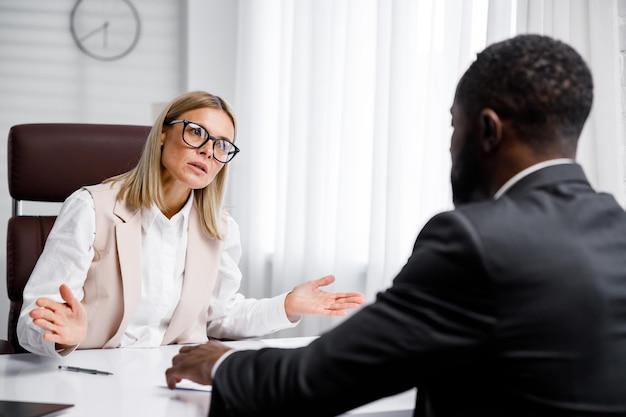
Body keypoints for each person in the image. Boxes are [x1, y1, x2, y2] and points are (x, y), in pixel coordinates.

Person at [165, 34, 626, 416]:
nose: (450, 147)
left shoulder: (475, 241)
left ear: (487, 131)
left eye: (453, 126)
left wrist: (222, 365)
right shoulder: (617, 229)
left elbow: (318, 380)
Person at [16, 90, 366, 357]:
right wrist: (62, 336)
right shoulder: (92, 207)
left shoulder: (219, 228)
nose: (207, 151)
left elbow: (219, 318)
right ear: (164, 134)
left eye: (221, 145)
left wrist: (287, 305)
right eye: (196, 132)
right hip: (91, 374)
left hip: (168, 379)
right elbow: (33, 320)